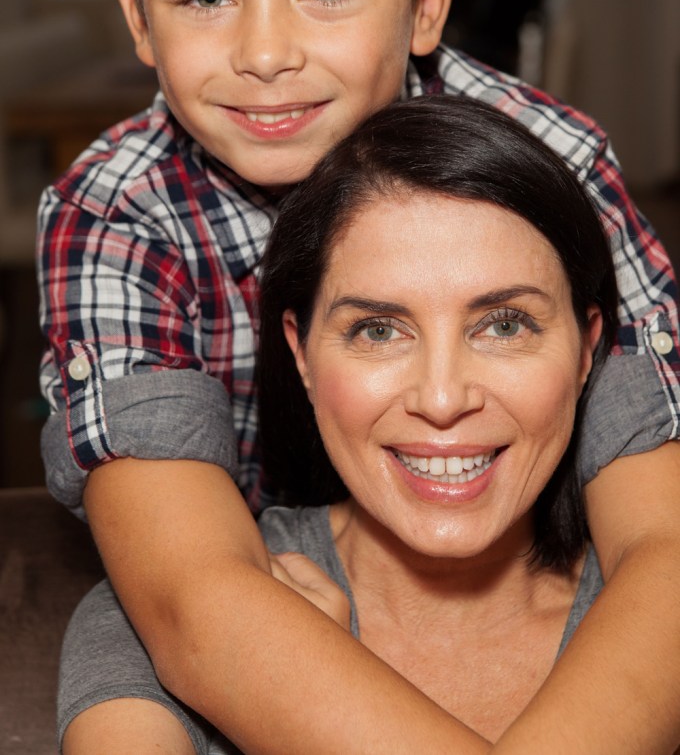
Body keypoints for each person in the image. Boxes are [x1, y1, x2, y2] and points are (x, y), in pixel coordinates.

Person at [37, 0, 680, 753]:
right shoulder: (118, 212)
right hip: (260, 569)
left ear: (426, 2)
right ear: (139, 16)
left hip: (507, 523)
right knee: (121, 624)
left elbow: (660, 535)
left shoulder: (547, 156)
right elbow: (197, 598)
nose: (263, 54)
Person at [56, 96, 673, 754]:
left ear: (587, 351)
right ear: (301, 353)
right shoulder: (146, 625)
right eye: (377, 330)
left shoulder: (655, 623)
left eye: (504, 324)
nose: (441, 397)